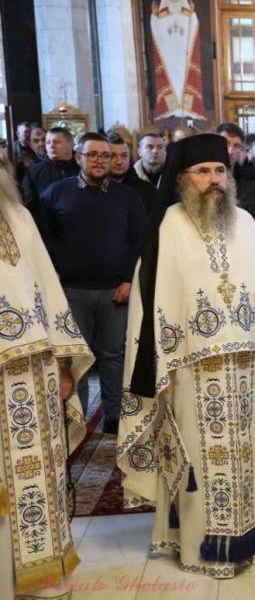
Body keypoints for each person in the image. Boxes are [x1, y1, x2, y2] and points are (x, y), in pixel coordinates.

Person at [117, 134, 255, 578]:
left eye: (220, 170)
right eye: (203, 172)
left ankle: (250, 536)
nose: (214, 179)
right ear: (181, 179)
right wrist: (158, 367)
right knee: (197, 458)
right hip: (188, 368)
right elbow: (152, 301)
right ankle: (199, 546)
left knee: (245, 456)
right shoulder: (167, 226)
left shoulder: (246, 223)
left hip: (245, 365)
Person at [0, 157, 95, 599]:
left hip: (35, 374)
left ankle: (42, 576)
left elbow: (48, 291)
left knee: (39, 476)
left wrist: (63, 364)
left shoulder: (19, 217)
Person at [38, 132, 145, 432]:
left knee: (113, 356)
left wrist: (128, 280)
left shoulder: (127, 197)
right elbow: (44, 240)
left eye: (105, 155)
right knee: (77, 358)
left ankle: (114, 417)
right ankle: (78, 419)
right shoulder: (55, 193)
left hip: (115, 291)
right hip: (71, 291)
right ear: (78, 158)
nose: (100, 161)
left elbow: (139, 241)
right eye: (92, 155)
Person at [216, 123, 255, 250]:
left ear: (241, 150)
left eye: (236, 146)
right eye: (225, 143)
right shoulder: (200, 179)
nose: (230, 151)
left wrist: (244, 248)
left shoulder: (251, 182)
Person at [20, 127, 79, 217]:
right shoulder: (34, 170)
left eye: (57, 142)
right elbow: (28, 203)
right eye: (48, 142)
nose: (51, 146)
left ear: (71, 144)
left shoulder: (83, 167)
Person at [109, 133, 157, 213]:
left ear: (129, 158)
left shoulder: (148, 190)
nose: (119, 162)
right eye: (112, 156)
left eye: (124, 156)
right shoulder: (96, 189)